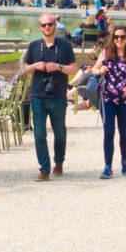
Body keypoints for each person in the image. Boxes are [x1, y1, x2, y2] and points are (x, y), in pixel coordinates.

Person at [22, 13, 79, 181]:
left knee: (59, 132)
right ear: (40, 27)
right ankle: (44, 169)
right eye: (44, 25)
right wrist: (34, 66)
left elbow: (74, 69)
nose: (47, 27)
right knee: (39, 134)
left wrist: (58, 67)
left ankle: (59, 161)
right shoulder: (33, 46)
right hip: (38, 95)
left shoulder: (64, 46)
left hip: (58, 95)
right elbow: (24, 69)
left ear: (55, 25)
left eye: (50, 24)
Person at [91, 24, 126, 178]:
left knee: (124, 132)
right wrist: (100, 70)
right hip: (108, 98)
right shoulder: (106, 53)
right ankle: (108, 166)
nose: (119, 39)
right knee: (109, 132)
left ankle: (125, 161)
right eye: (116, 37)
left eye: (122, 37)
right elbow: (94, 69)